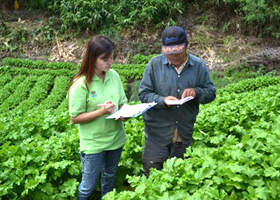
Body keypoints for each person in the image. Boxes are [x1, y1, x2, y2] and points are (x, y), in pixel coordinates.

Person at [138, 26, 216, 177]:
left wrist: (196, 92)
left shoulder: (198, 66)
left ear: (187, 46)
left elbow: (211, 92)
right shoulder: (154, 65)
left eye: (178, 53)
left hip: (183, 133)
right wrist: (162, 100)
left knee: (180, 176)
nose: (173, 57)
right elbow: (144, 94)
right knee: (152, 176)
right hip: (157, 135)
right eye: (169, 53)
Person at [67, 35, 127, 199]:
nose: (110, 62)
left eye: (111, 58)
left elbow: (122, 103)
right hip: (94, 143)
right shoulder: (81, 84)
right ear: (92, 58)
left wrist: (124, 113)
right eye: (105, 59)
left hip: (116, 138)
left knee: (109, 178)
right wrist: (102, 112)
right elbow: (75, 118)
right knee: (88, 186)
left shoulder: (113, 75)